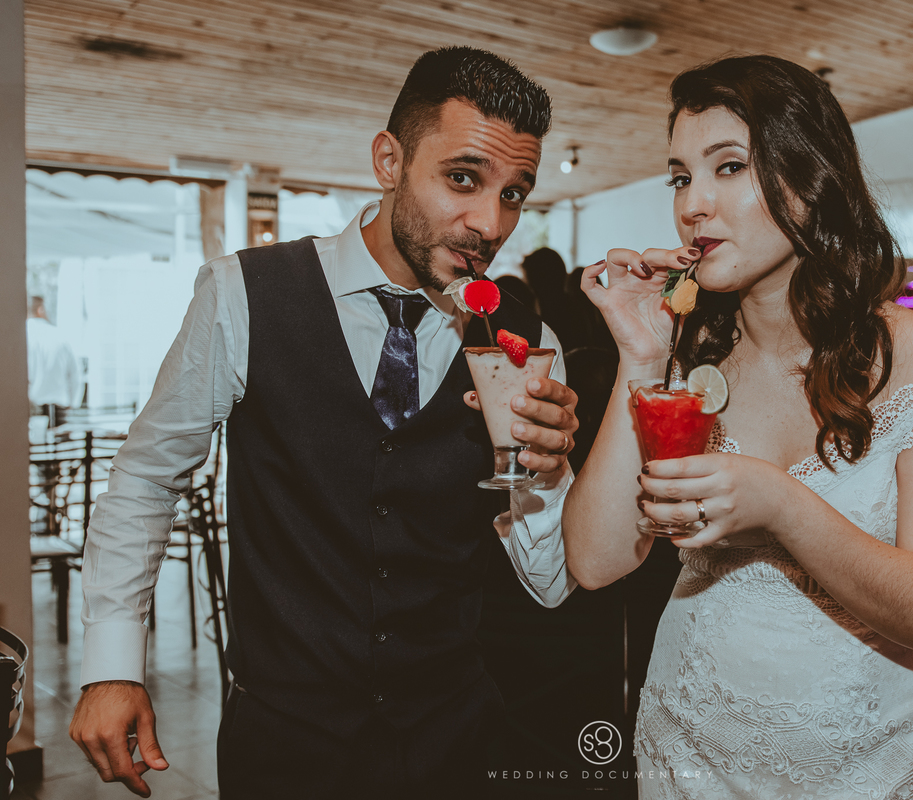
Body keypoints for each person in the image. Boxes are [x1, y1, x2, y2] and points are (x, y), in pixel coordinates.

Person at [69, 47, 579, 800]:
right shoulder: (244, 292)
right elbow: (146, 477)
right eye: (463, 179)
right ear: (388, 160)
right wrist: (114, 663)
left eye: (514, 193)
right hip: (286, 742)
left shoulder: (526, 342)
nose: (489, 223)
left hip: (458, 738)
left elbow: (552, 587)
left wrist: (547, 471)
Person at [564, 55, 913, 797]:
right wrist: (640, 356)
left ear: (810, 176)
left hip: (859, 765)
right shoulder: (688, 357)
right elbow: (596, 561)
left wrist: (783, 505)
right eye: (681, 176)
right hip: (687, 750)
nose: (693, 203)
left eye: (729, 166)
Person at [27, 294, 82, 425]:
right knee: (62, 445)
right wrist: (73, 404)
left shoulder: (22, 337)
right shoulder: (60, 336)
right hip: (60, 410)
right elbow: (75, 375)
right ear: (40, 309)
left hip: (31, 409)